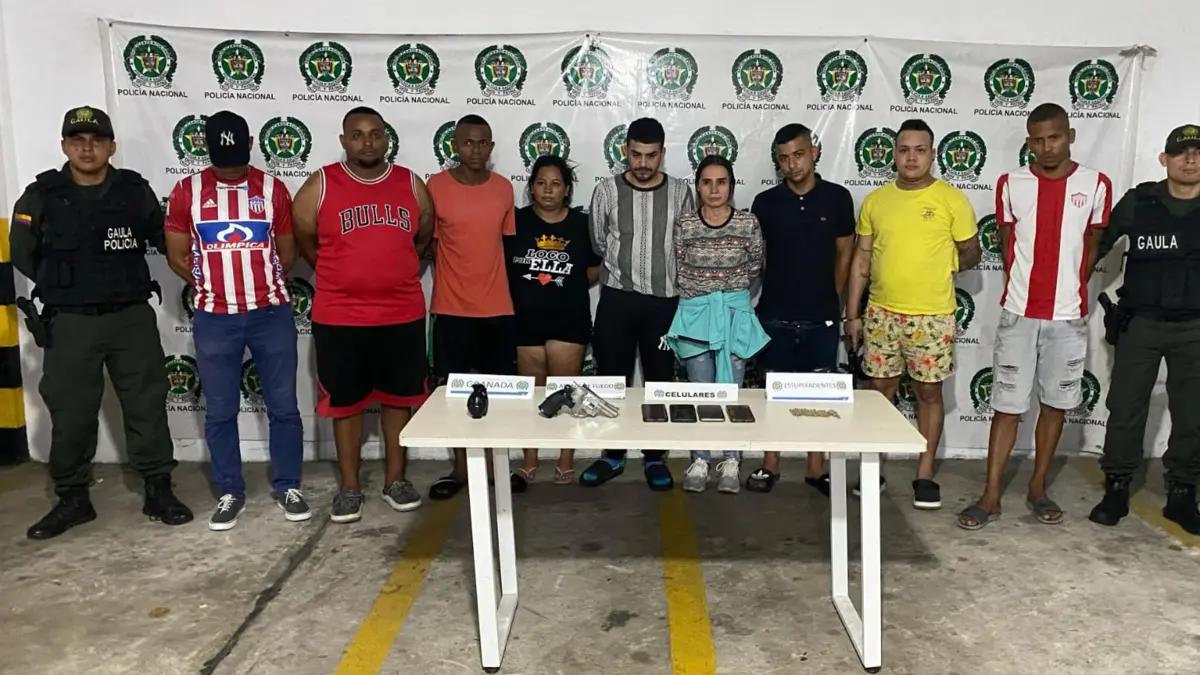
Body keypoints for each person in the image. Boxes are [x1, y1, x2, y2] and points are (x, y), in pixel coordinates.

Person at [11, 106, 192, 539]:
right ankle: (73, 497)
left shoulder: (134, 191)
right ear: (64, 147)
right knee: (71, 411)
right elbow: (22, 252)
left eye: (96, 140)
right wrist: (67, 286)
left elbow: (164, 238)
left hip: (130, 316)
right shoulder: (41, 195)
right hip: (71, 322)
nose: (87, 148)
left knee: (146, 403)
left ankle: (158, 488)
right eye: (77, 140)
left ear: (112, 147)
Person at [957, 104, 1110, 530]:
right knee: (1006, 407)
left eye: (1055, 137)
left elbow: (1093, 245)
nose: (1047, 147)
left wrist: (1070, 291)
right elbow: (1009, 245)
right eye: (1038, 140)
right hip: (1018, 314)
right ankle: (990, 495)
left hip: (1068, 319)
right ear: (1029, 142)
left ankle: (1038, 487)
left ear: (1070, 136)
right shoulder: (1011, 183)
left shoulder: (1096, 184)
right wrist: (1026, 289)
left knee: (1056, 405)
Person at [163, 110, 306, 531]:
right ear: (206, 148)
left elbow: (287, 252)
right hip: (215, 318)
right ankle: (230, 491)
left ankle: (288, 485)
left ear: (250, 145)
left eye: (237, 160)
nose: (229, 170)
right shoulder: (186, 191)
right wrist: (212, 284)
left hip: (270, 313)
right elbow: (176, 255)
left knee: (284, 406)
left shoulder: (273, 189)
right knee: (220, 410)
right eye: (221, 161)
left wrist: (258, 284)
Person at [292, 106, 435, 522]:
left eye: (375, 134)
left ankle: (396, 480)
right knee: (345, 404)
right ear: (344, 141)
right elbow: (305, 238)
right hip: (340, 316)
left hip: (401, 313)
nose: (367, 142)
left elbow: (423, 235)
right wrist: (340, 272)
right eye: (357, 135)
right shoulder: (320, 185)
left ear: (386, 138)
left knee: (398, 400)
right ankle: (350, 488)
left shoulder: (411, 183)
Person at [844, 118, 980, 510]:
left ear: (933, 154)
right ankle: (874, 469)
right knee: (879, 393)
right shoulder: (876, 201)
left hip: (932, 317)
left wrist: (940, 266)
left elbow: (972, 252)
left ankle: (924, 474)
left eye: (920, 150)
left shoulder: (952, 200)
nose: (911, 157)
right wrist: (852, 315)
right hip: (882, 313)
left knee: (928, 393)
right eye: (904, 150)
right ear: (894, 154)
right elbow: (861, 260)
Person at [1088, 124, 1200, 534]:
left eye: (1198, 152)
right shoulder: (1139, 202)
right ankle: (1117, 486)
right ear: (1164, 159)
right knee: (1126, 408)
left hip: (1195, 327)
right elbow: (1096, 245)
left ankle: (1183, 493)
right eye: (1182, 152)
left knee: (1194, 414)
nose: (1191, 159)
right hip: (1142, 324)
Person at [583, 117, 695, 491]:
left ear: (663, 153)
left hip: (664, 303)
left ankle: (654, 457)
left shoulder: (680, 192)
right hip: (617, 299)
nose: (643, 163)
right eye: (636, 154)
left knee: (659, 382)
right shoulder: (606, 191)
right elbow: (599, 242)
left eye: (651, 155)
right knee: (612, 379)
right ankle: (612, 455)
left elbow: (685, 243)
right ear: (625, 151)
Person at [748, 123, 855, 495]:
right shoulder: (765, 202)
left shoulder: (838, 198)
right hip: (773, 313)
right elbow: (761, 258)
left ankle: (815, 467)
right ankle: (770, 463)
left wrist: (830, 299)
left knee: (820, 397)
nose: (792, 164)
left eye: (799, 154)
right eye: (784, 158)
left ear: (814, 152)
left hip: (821, 315)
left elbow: (845, 255)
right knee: (771, 391)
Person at [426, 114, 518, 500]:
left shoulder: (504, 188)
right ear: (454, 146)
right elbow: (431, 245)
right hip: (451, 310)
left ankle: (498, 467)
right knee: (452, 396)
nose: (475, 150)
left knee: (500, 395)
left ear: (491, 147)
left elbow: (505, 245)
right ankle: (461, 469)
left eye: (483, 143)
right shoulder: (435, 187)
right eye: (467, 142)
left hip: (498, 310)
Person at [666, 155, 768, 494]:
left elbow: (754, 267)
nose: (714, 190)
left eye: (721, 182)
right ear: (697, 187)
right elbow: (679, 266)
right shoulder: (685, 223)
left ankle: (732, 460)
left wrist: (724, 295)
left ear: (731, 186)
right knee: (701, 392)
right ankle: (700, 459)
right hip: (695, 316)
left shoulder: (748, 223)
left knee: (731, 394)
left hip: (733, 315)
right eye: (706, 182)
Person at [504, 155, 600, 490]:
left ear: (567, 190)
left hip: (568, 319)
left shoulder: (582, 225)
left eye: (555, 183)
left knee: (566, 394)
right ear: (531, 187)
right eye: (541, 183)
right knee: (531, 396)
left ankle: (565, 458)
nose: (548, 190)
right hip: (525, 320)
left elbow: (596, 266)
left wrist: (567, 284)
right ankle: (530, 459)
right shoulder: (515, 222)